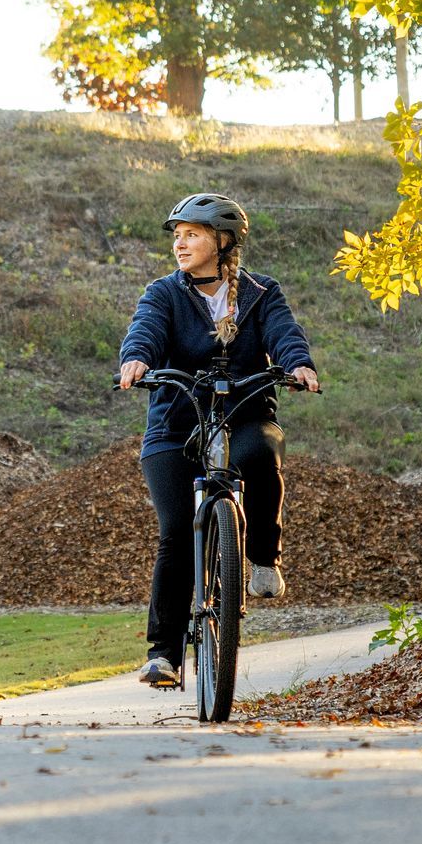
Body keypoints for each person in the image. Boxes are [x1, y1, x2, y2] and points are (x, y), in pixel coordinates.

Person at [116, 192, 320, 687]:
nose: (180, 244)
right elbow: (145, 330)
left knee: (262, 452)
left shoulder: (260, 292)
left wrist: (297, 364)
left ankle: (263, 559)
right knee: (175, 531)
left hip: (245, 414)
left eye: (193, 234)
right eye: (178, 235)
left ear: (223, 242)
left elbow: (284, 333)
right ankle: (163, 655)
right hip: (176, 422)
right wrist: (136, 359)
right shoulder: (163, 293)